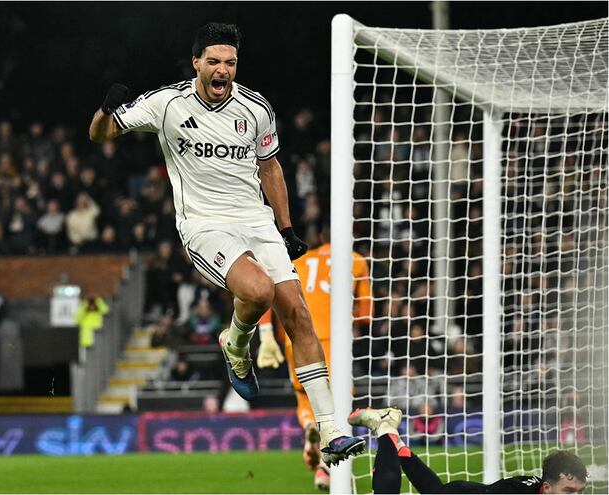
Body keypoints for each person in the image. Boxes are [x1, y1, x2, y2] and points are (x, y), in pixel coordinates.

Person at [88, 22, 364, 465]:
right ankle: (235, 343)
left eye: (230, 63)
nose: (222, 70)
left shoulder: (256, 109)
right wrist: (106, 109)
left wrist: (287, 228)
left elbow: (270, 168)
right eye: (213, 62)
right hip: (204, 224)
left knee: (298, 313)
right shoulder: (167, 103)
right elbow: (100, 136)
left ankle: (331, 427)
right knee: (258, 291)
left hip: (256, 220)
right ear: (196, 63)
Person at [256, 225, 373, 490]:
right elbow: (366, 315)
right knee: (338, 404)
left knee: (304, 396)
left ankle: (310, 427)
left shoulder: (302, 260)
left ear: (320, 239)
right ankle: (325, 467)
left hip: (295, 338)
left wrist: (267, 335)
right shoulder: (356, 260)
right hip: (333, 342)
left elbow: (270, 292)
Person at [348, 406, 588, 494]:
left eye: (579, 493)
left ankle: (395, 442)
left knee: (434, 490)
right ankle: (385, 430)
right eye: (569, 492)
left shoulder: (538, 487)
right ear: (546, 488)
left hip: (463, 490)